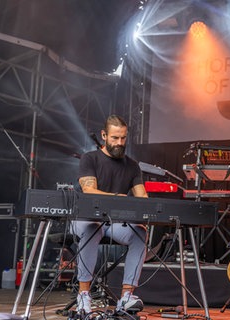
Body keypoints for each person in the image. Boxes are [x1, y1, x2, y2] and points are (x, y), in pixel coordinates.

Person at [72, 115, 148, 314]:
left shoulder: (132, 165)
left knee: (140, 232)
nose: (119, 143)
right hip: (86, 220)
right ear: (104, 135)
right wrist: (118, 197)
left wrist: (147, 208)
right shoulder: (90, 158)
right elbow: (89, 190)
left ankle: (126, 297)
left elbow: (143, 197)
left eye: (123, 138)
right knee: (92, 228)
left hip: (114, 224)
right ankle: (84, 295)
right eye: (115, 138)